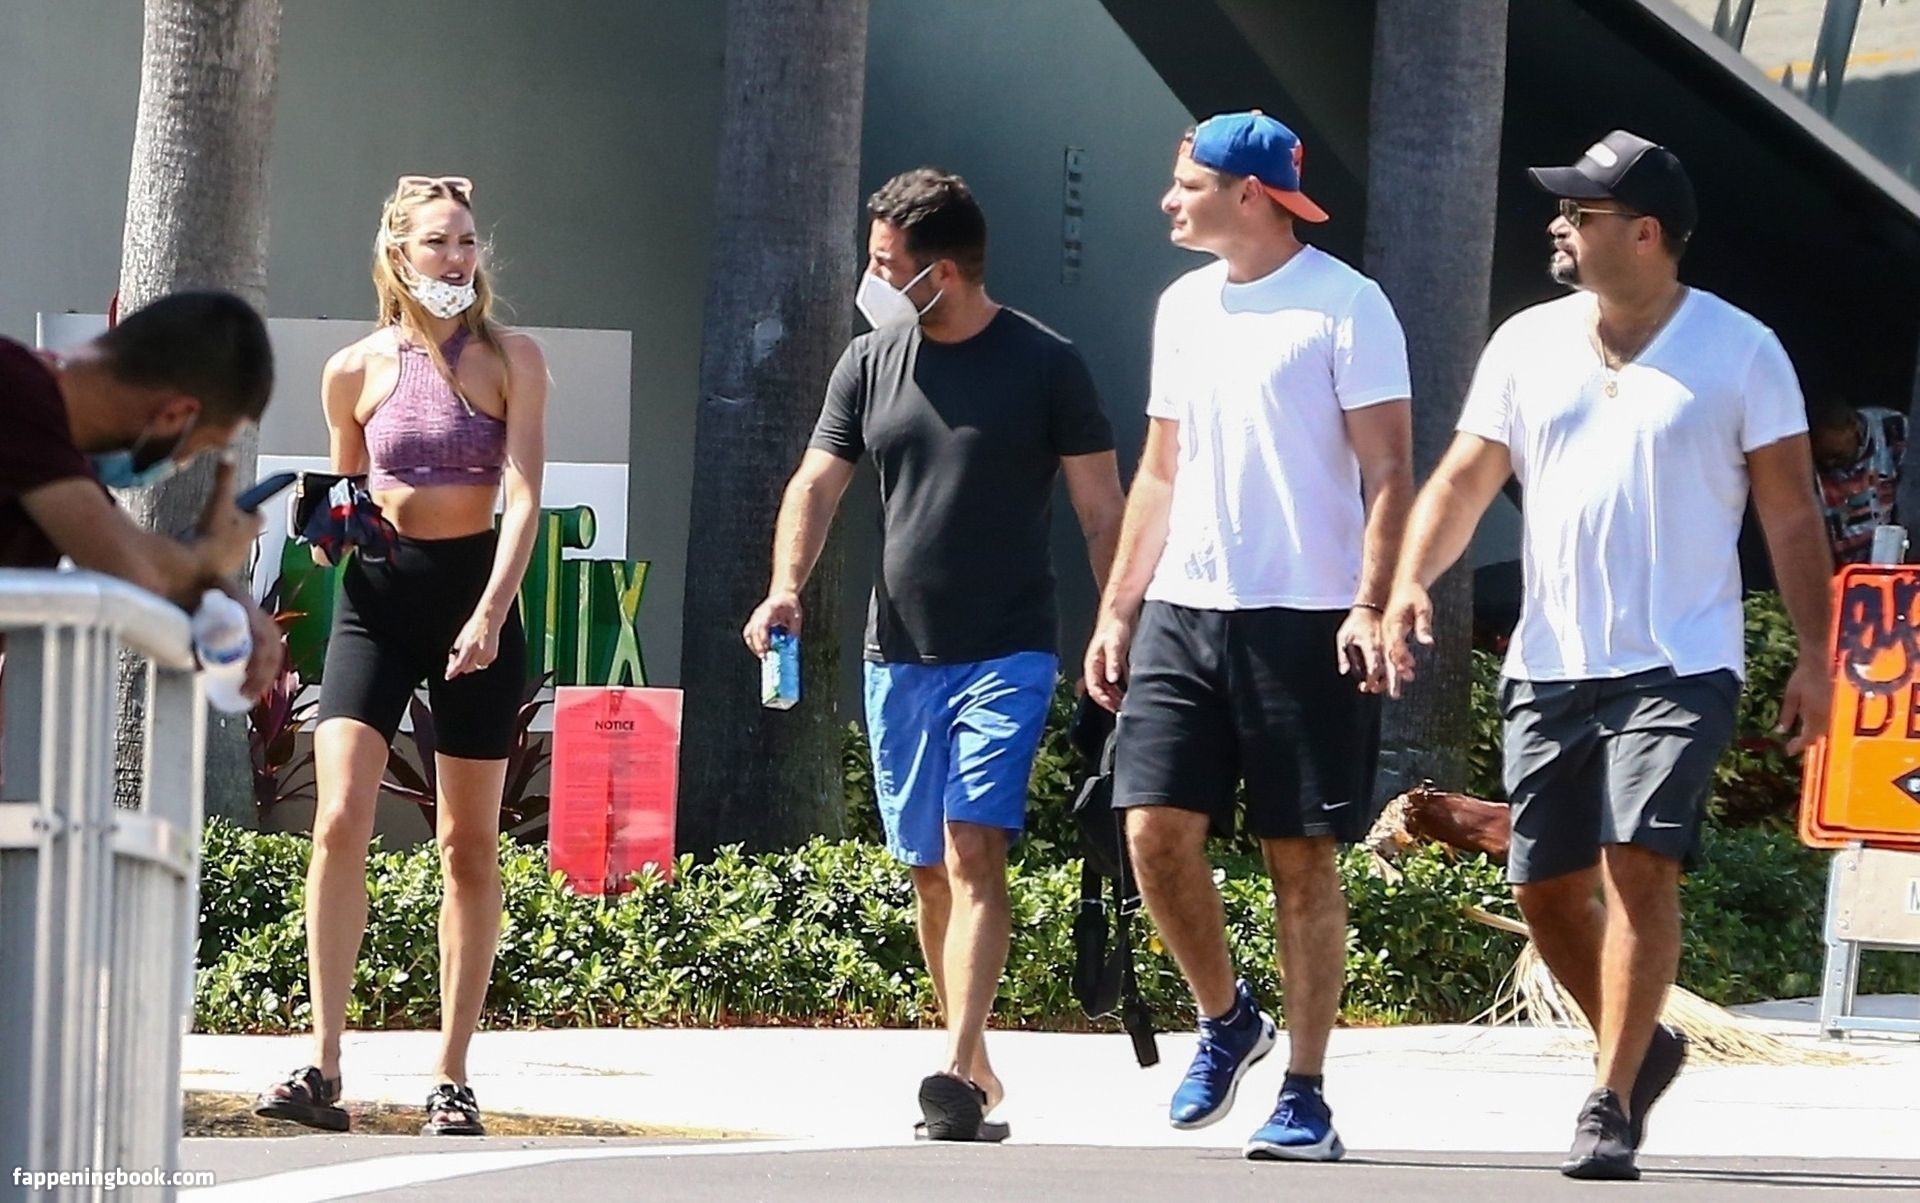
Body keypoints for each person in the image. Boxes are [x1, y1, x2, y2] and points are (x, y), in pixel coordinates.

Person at [1382, 131, 1832, 1181]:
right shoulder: (1526, 343)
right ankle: (1643, 1043)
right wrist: (1409, 581)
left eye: (1581, 213)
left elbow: (1791, 514)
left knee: (1639, 859)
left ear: (1644, 233)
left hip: (1681, 661)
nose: (1560, 225)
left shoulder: (1742, 352)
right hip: (1551, 663)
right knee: (1545, 891)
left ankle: (1610, 1097)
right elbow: (1464, 477)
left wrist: (1815, 654)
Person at [743, 168, 1125, 1142]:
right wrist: (785, 585)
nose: (871, 278)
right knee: (927, 866)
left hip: (1008, 650)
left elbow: (1101, 512)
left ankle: (954, 1066)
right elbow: (816, 484)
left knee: (971, 843)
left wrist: (1119, 623)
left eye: (884, 263)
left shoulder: (1047, 364)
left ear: (939, 271)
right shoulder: (869, 362)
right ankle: (977, 1062)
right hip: (900, 655)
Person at [1085, 111, 1413, 1162]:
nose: (1168, 200)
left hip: (1309, 618)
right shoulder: (1183, 305)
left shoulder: (1348, 305)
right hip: (1186, 610)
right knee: (1150, 830)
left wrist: (1371, 602)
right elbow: (1161, 468)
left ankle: (1306, 1093)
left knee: (1299, 859)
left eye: (1187, 184)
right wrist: (1120, 606)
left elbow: (1389, 470)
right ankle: (1227, 1019)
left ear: (1251, 195)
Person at [254, 175, 548, 1137]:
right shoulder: (352, 369)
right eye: (438, 242)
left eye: (467, 241)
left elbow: (524, 496)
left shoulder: (512, 358)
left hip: (477, 598)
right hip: (377, 603)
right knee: (339, 816)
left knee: (467, 843)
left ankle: (451, 1075)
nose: (457, 258)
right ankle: (323, 1062)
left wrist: (492, 610)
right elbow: (346, 496)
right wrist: (326, 529)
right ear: (398, 253)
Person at [0, 289, 281, 697]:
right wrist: (209, 559)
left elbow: (136, 553)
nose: (182, 462)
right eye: (200, 447)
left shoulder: (55, 455)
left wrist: (225, 593)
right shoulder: (16, 390)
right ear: (174, 415)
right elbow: (134, 570)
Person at [1809, 396, 1906, 565]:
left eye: (1835, 455)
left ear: (1853, 426)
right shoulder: (1803, 456)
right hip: (1839, 567)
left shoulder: (1894, 429)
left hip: (1896, 560)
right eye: (1821, 459)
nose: (1829, 464)